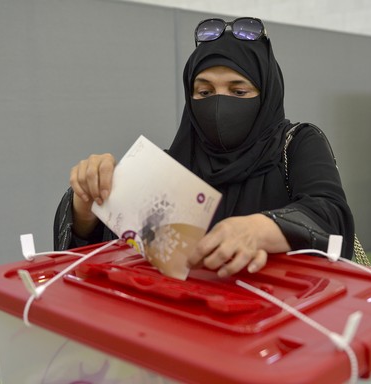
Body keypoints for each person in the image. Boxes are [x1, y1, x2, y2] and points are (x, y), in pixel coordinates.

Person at [54, 17, 355, 278]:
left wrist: (259, 229)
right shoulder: (168, 167)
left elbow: (331, 216)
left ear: (266, 95)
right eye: (204, 91)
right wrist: (88, 200)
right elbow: (109, 252)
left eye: (238, 90)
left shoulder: (297, 143)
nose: (219, 103)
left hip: (279, 324)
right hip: (186, 324)